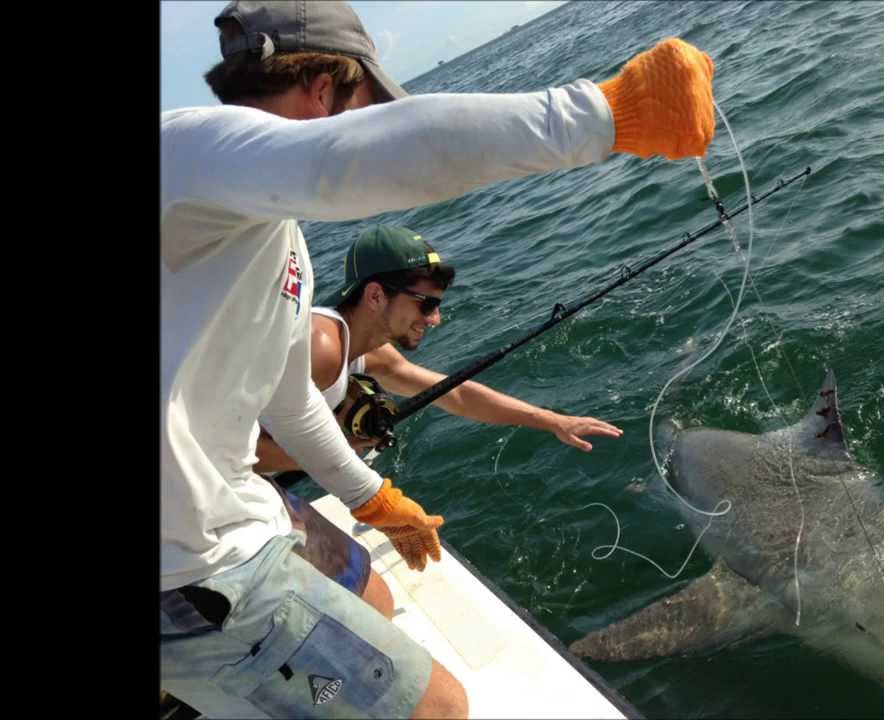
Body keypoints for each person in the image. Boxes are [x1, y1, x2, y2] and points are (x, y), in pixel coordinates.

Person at [160, 0, 716, 717]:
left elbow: (290, 399)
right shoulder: (182, 149)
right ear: (324, 90)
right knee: (440, 708)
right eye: (367, 110)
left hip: (238, 510)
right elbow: (337, 166)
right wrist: (610, 113)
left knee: (376, 597)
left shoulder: (272, 240)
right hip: (192, 572)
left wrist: (373, 499)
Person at [254, 224, 624, 479]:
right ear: (375, 295)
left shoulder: (370, 351)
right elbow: (238, 448)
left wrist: (552, 421)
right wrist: (340, 449)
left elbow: (456, 395)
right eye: (426, 304)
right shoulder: (321, 348)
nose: (435, 319)